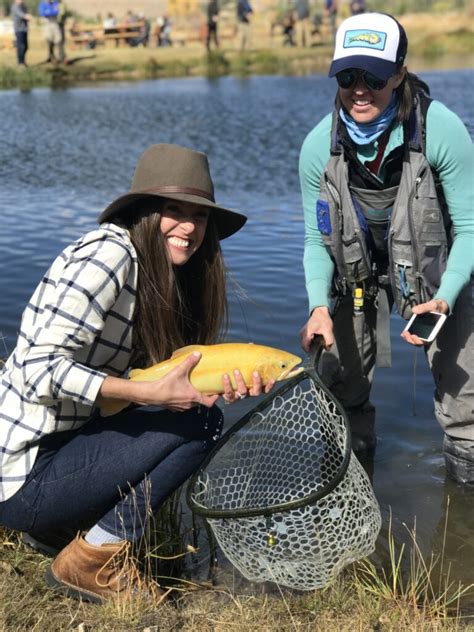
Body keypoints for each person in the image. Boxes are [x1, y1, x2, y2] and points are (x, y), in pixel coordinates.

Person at [0, 144, 275, 604]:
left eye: (200, 216)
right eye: (174, 210)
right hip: (22, 475)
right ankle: (91, 561)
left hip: (55, 453)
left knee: (201, 413)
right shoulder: (108, 255)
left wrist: (199, 388)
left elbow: (138, 389)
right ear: (146, 212)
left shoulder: (162, 272)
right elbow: (35, 368)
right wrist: (149, 392)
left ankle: (60, 532)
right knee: (198, 425)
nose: (189, 227)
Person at [298, 13, 473, 485]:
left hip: (438, 275)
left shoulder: (443, 131)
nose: (359, 89)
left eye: (373, 77)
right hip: (355, 279)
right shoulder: (319, 147)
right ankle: (353, 492)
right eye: (347, 75)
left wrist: (447, 296)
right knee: (341, 393)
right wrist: (318, 306)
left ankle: (460, 527)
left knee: (467, 406)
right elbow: (316, 239)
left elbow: (472, 229)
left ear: (399, 72)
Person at [10, 0, 32, 66]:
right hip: (18, 29)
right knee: (21, 46)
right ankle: (21, 63)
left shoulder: (23, 6)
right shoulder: (15, 6)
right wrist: (27, 16)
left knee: (25, 47)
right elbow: (22, 15)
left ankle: (22, 61)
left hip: (24, 29)